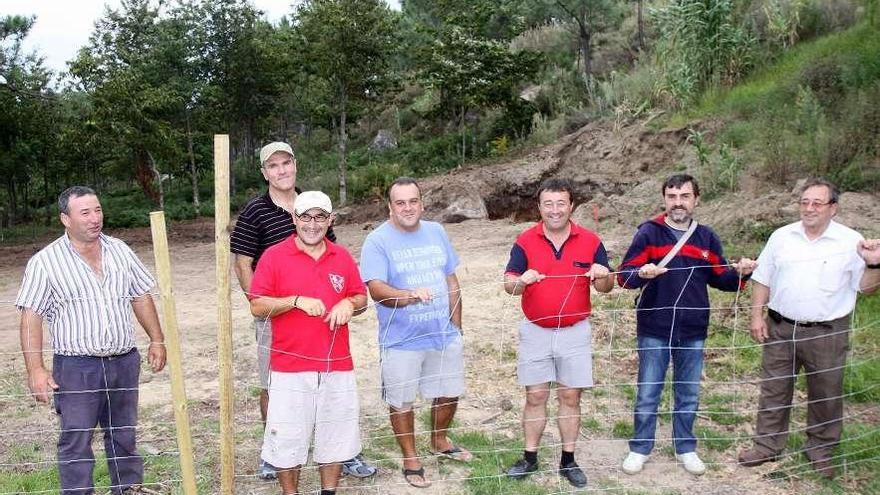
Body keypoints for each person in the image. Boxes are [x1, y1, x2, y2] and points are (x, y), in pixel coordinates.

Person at [230, 141, 375, 480]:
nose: (281, 171)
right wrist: (263, 304)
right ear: (264, 172)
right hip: (276, 313)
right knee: (274, 385)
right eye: (273, 166)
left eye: (286, 163)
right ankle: (276, 451)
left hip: (322, 319)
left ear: (295, 165)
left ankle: (342, 452)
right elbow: (242, 263)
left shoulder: (314, 203)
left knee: (332, 388)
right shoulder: (255, 211)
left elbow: (334, 257)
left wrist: (344, 300)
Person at [15, 186, 167, 495]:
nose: (94, 218)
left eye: (97, 210)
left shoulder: (120, 250)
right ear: (65, 219)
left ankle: (128, 490)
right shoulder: (45, 262)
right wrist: (36, 370)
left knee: (124, 433)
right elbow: (31, 317)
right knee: (77, 438)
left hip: (123, 360)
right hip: (77, 367)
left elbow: (140, 296)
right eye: (85, 213)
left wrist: (157, 339)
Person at [737, 178, 880, 479]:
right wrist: (756, 316)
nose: (809, 208)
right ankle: (767, 446)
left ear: (833, 208)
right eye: (804, 202)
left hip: (827, 331)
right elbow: (763, 277)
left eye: (817, 203)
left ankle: (820, 450)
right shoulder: (781, 237)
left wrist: (873, 265)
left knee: (826, 392)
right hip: (780, 327)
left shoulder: (850, 241)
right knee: (774, 389)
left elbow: (866, 289)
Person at [616, 174, 756, 476]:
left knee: (688, 394)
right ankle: (640, 448)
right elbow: (623, 276)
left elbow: (722, 278)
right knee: (647, 394)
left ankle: (685, 448)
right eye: (672, 196)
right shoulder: (649, 234)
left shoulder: (706, 237)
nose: (678, 202)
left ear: (696, 199)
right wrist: (643, 273)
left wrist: (742, 273)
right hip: (654, 326)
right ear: (664, 199)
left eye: (684, 196)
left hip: (693, 328)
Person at [248, 190, 368, 495]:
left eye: (319, 217)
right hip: (289, 366)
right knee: (287, 440)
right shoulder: (273, 256)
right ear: (293, 218)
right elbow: (257, 305)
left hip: (337, 364)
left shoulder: (341, 256)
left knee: (336, 436)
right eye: (305, 216)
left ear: (330, 220)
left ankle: (329, 491)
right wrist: (296, 301)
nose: (312, 224)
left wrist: (349, 305)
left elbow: (360, 297)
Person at [503, 177, 613, 489]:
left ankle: (568, 460)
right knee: (535, 395)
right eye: (548, 204)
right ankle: (529, 457)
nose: (554, 210)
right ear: (538, 207)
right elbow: (509, 286)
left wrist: (602, 276)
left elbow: (605, 287)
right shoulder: (525, 241)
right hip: (535, 330)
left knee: (570, 395)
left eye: (560, 203)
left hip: (575, 331)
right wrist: (522, 280)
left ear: (571, 206)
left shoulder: (591, 241)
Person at [360, 177, 470, 489]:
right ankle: (410, 457)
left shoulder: (436, 231)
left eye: (413, 201)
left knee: (448, 391)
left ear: (422, 203)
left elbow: (450, 279)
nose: (407, 208)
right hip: (402, 339)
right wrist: (409, 296)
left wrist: (456, 325)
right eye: (400, 202)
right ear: (390, 207)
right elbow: (377, 289)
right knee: (402, 400)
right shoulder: (377, 241)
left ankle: (440, 440)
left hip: (443, 333)